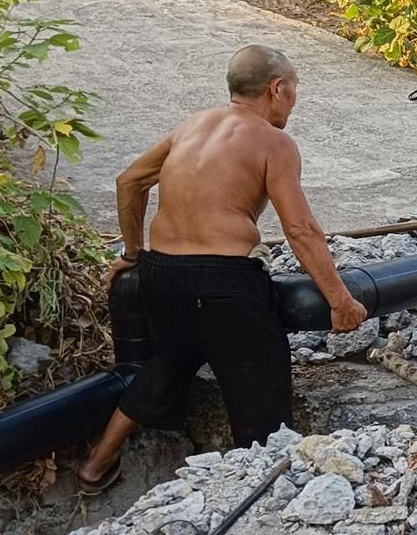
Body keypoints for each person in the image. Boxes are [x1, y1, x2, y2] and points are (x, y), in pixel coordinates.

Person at [77, 45, 368, 490]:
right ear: (277, 89)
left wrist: (133, 254)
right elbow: (301, 228)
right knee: (260, 398)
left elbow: (129, 182)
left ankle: (95, 466)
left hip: (160, 274)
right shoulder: (275, 142)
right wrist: (340, 301)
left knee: (165, 369)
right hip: (223, 284)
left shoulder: (192, 126)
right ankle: (256, 495)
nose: (294, 99)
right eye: (294, 90)